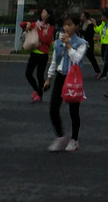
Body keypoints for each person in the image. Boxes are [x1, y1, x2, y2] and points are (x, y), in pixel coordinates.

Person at [43, 14, 87, 152]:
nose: (66, 28)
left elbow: (76, 58)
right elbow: (55, 60)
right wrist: (49, 77)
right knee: (53, 108)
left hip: (73, 79)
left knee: (73, 111)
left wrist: (68, 45)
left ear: (76, 26)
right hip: (60, 77)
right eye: (65, 25)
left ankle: (74, 139)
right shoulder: (58, 42)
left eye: (70, 25)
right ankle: (61, 137)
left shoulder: (81, 43)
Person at [24, 9, 54, 102]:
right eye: (42, 12)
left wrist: (37, 31)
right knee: (28, 73)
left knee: (40, 75)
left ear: (48, 15)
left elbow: (47, 40)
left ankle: (39, 94)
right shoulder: (36, 24)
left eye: (44, 12)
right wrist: (28, 24)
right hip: (34, 52)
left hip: (43, 54)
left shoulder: (50, 27)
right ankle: (37, 89)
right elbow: (22, 25)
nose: (42, 14)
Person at [79, 10, 102, 78]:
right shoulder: (82, 23)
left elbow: (89, 34)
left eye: (82, 16)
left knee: (91, 57)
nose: (81, 17)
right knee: (79, 57)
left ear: (85, 17)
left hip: (89, 42)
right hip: (82, 42)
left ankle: (98, 71)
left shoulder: (90, 24)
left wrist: (81, 31)